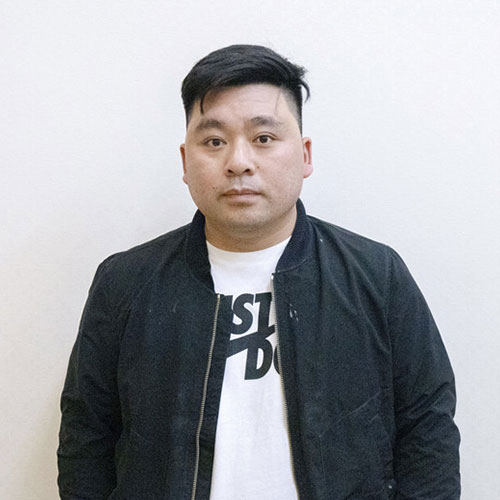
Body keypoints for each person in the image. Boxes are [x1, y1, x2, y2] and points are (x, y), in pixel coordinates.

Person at [57, 44, 460, 500]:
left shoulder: (377, 275)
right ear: (185, 161)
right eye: (214, 141)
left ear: (305, 155)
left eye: (264, 138)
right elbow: (86, 436)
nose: (238, 161)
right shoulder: (125, 283)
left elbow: (427, 428)